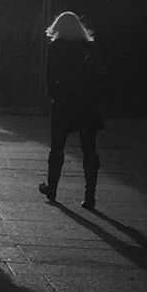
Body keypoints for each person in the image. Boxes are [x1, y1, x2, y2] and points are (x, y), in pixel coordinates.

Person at [40, 11, 106, 209]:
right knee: (89, 149)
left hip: (64, 102)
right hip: (87, 103)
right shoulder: (89, 48)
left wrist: (54, 95)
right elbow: (98, 75)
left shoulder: (56, 48)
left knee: (58, 147)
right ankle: (90, 196)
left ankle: (52, 188)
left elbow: (50, 76)